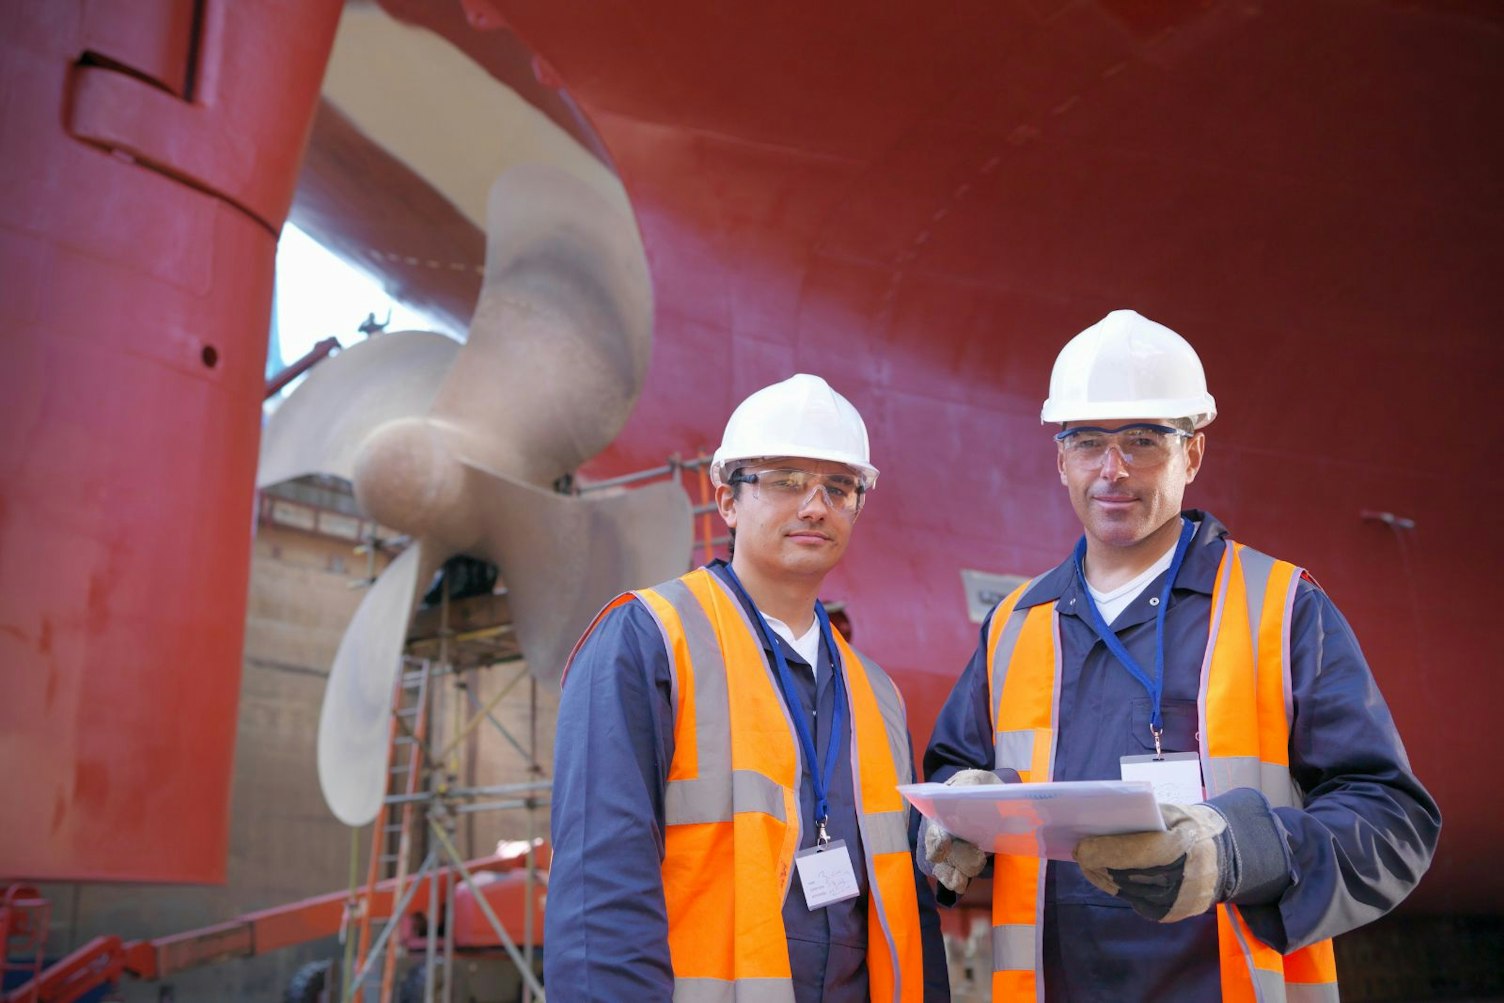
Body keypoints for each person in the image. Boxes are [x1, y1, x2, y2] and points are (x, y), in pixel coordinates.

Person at [921, 310, 1440, 1001]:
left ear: (1193, 452)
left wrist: (1234, 851)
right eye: (1087, 441)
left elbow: (1393, 820)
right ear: (1060, 457)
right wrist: (955, 820)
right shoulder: (1015, 624)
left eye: (1142, 440)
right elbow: (956, 777)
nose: (1113, 469)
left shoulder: (1280, 607)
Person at [546, 373, 949, 1001]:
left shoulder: (877, 694)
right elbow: (602, 895)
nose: (815, 505)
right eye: (786, 481)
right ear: (728, 501)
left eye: (839, 488)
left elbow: (908, 912)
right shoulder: (650, 641)